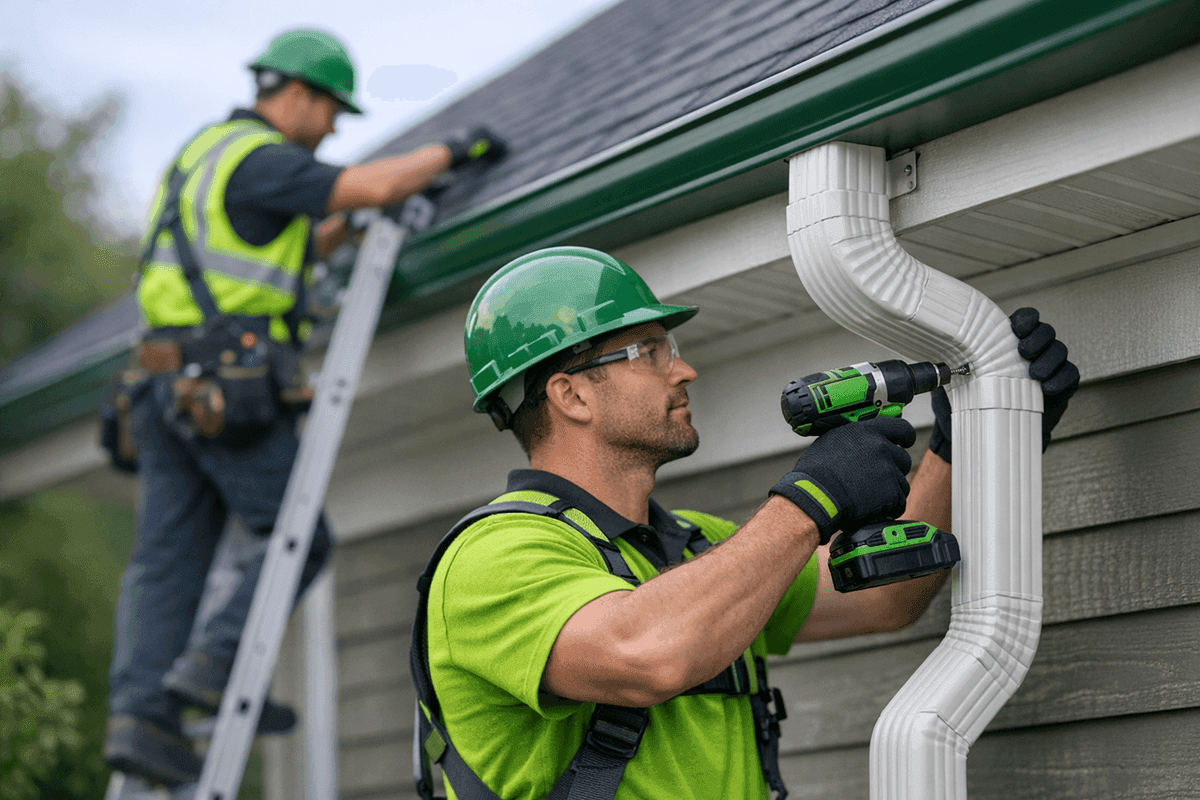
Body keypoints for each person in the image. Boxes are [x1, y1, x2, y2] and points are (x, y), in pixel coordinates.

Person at [413, 246, 1079, 798]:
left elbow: (886, 598)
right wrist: (807, 502)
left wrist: (969, 446)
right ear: (570, 393)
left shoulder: (698, 547)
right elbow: (644, 653)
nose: (685, 369)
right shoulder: (493, 555)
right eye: (649, 349)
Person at [103, 28, 502, 786]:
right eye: (330, 113)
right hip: (222, 381)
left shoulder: (201, 156)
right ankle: (211, 672)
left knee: (164, 565)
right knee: (300, 538)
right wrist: (456, 151)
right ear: (296, 94)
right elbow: (378, 186)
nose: (331, 131)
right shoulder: (260, 159)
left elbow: (276, 253)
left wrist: (336, 232)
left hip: (160, 384)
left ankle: (142, 718)